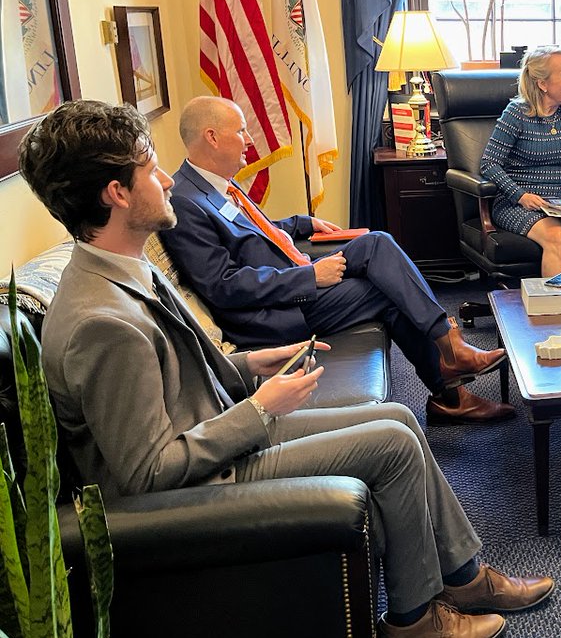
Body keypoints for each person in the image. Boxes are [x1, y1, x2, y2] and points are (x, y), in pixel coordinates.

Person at [20, 99, 554, 638]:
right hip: (203, 482)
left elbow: (179, 378)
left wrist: (253, 365)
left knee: (397, 416)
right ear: (117, 193)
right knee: (393, 443)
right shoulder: (101, 322)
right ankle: (413, 619)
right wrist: (260, 408)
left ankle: (463, 576)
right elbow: (146, 473)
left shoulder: (123, 268)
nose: (164, 179)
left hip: (215, 435)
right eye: (150, 166)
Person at [162, 96, 512, 426]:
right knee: (388, 292)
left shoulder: (214, 186)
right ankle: (449, 380)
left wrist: (301, 222)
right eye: (240, 130)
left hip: (289, 276)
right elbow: (223, 286)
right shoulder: (186, 201)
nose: (249, 139)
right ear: (212, 137)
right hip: (272, 311)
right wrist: (310, 277)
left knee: (375, 243)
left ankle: (449, 360)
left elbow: (253, 234)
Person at [480, 45, 561, 277]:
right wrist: (520, 195)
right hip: (518, 203)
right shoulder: (516, 114)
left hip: (560, 201)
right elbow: (489, 163)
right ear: (543, 84)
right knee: (556, 237)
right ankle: (558, 310)